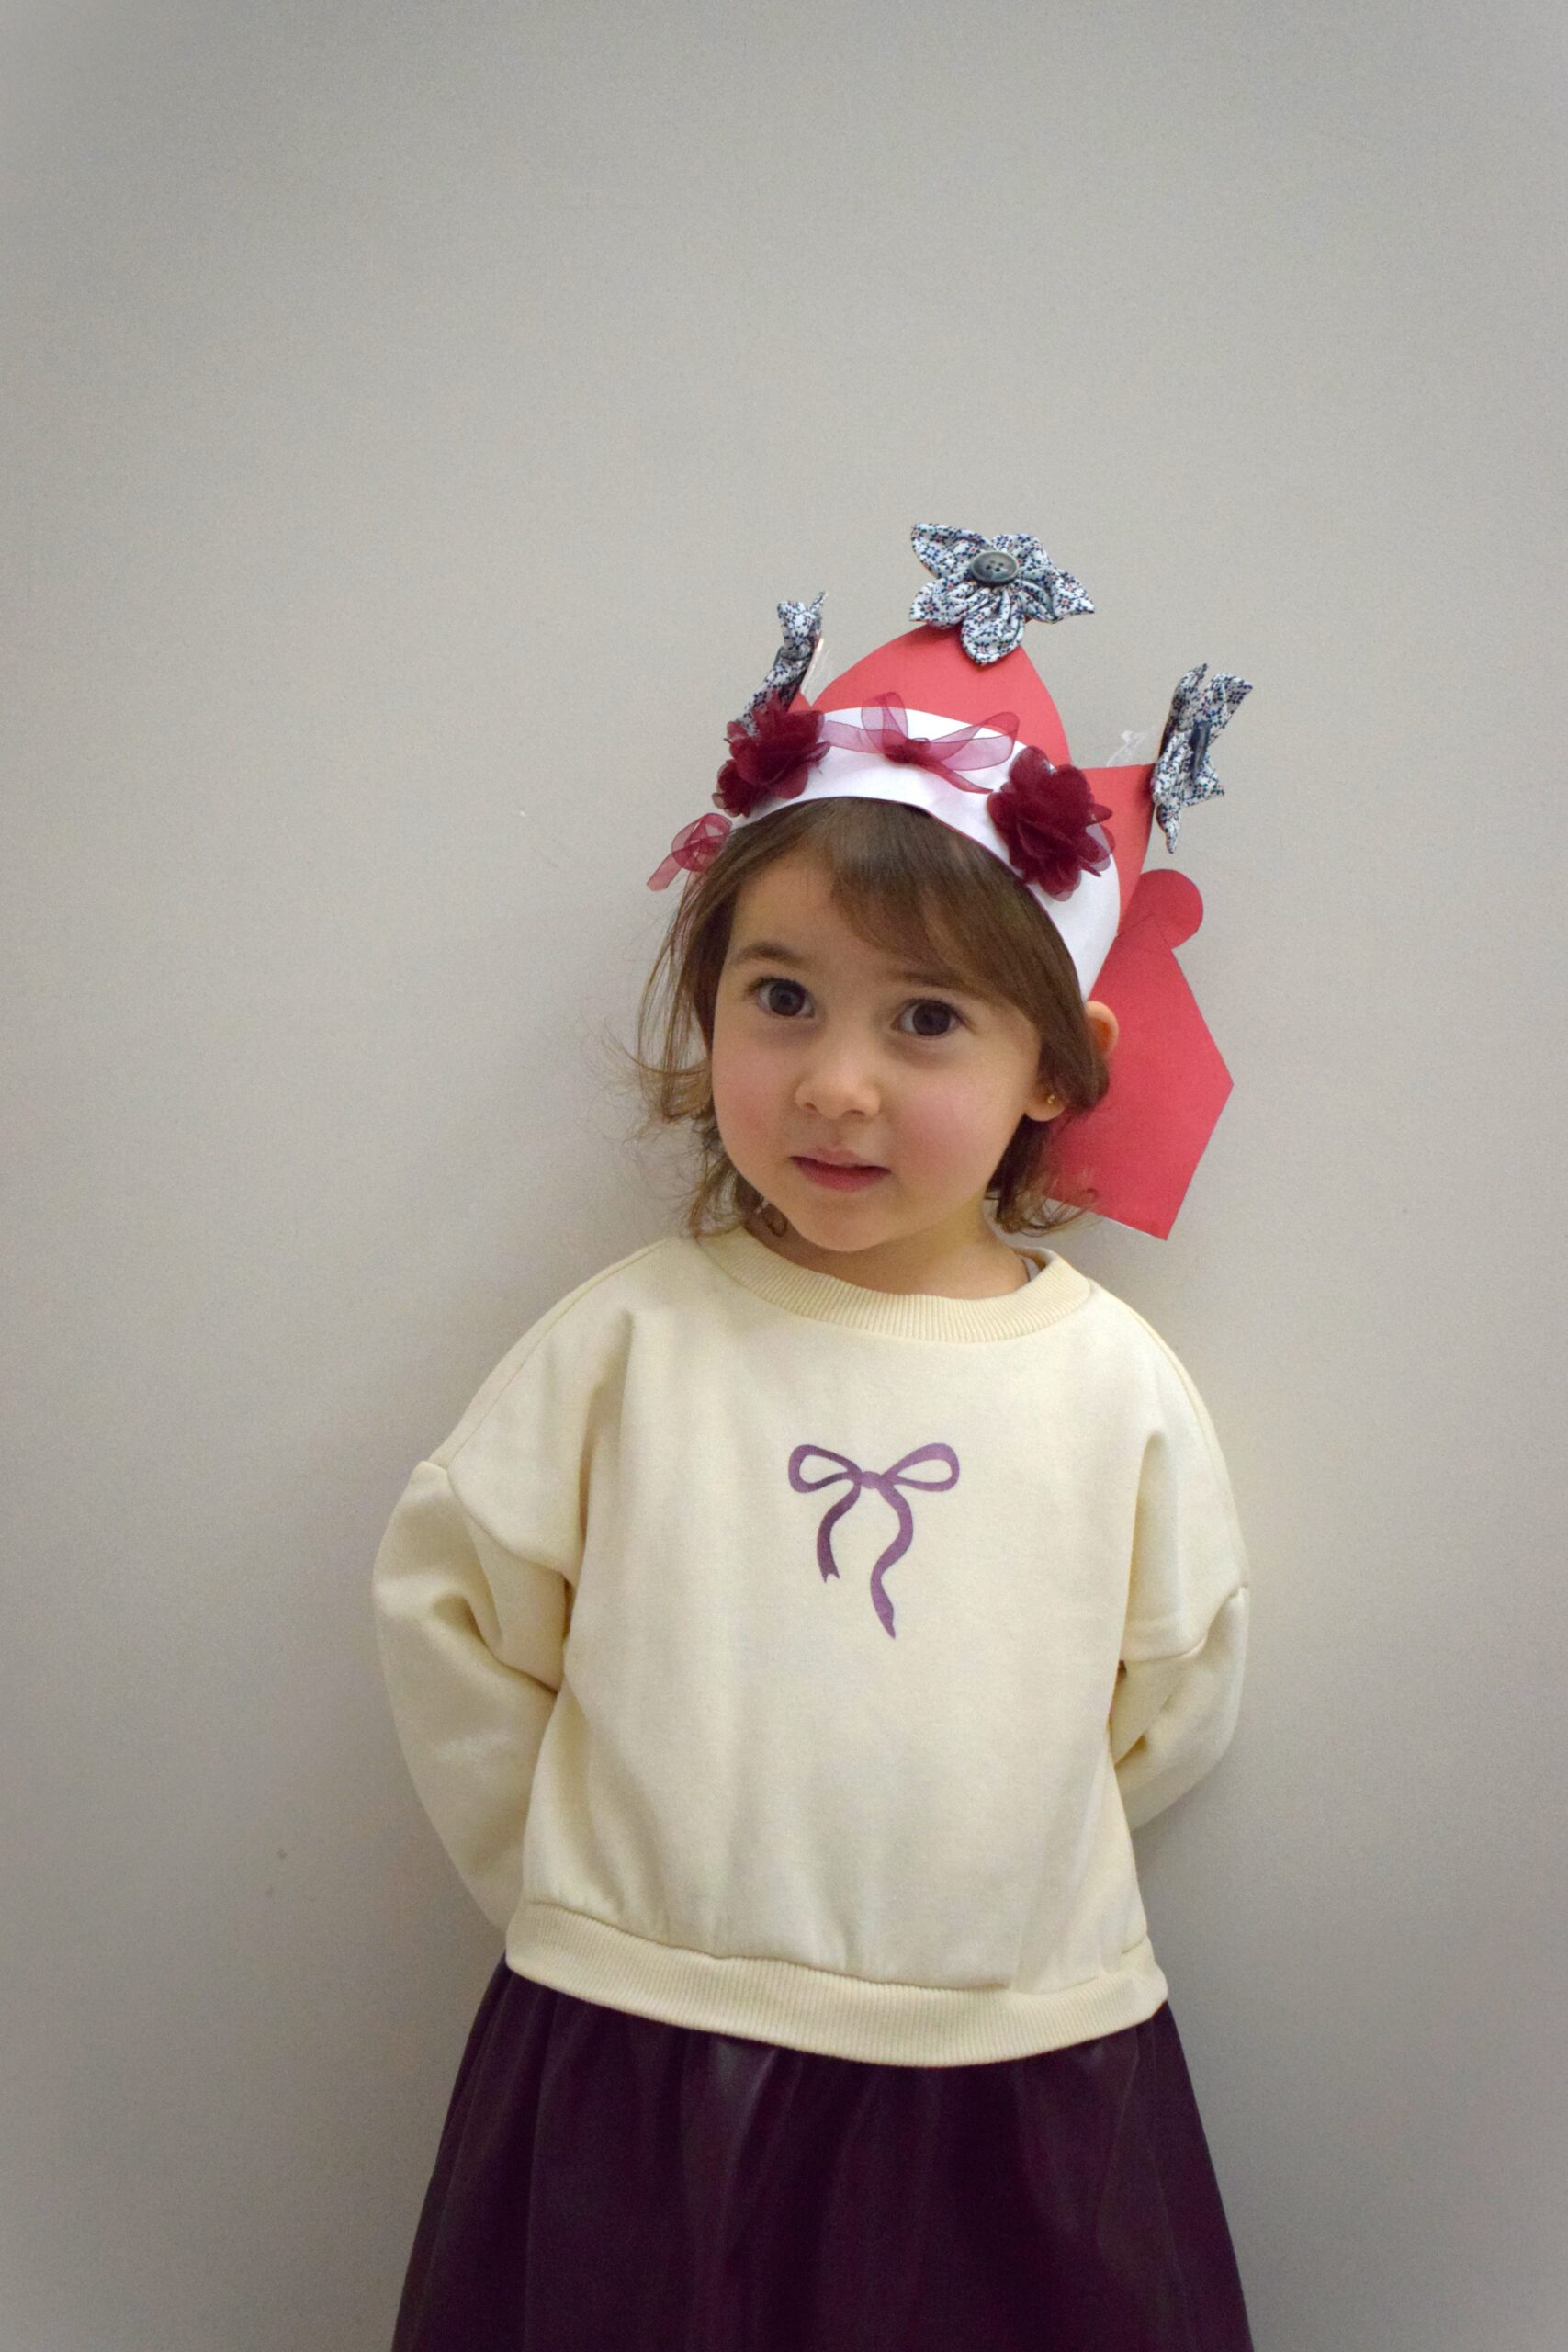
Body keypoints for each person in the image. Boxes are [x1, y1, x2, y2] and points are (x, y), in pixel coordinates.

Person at [371, 523, 1258, 2350]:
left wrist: (985, 1887)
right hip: (636, 2059)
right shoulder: (633, 1342)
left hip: (1009, 2057)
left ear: (1058, 1063)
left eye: (925, 1018)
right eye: (781, 998)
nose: (837, 1082)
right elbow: (456, 1608)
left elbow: (1169, 1691)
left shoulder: (1105, 1386)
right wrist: (598, 1906)